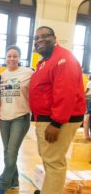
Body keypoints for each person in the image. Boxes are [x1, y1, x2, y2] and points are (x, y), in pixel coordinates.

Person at [29, 26, 86, 194]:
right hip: (47, 117)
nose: (40, 40)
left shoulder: (63, 59)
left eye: (45, 36)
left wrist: (56, 122)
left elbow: (66, 93)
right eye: (36, 38)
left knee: (54, 163)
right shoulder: (48, 60)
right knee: (50, 160)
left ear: (55, 38)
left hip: (57, 119)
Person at [0, 46, 33, 194]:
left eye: (15, 56)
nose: (12, 58)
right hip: (4, 117)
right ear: (5, 58)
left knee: (11, 152)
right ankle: (14, 181)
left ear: (20, 57)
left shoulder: (28, 73)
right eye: (9, 56)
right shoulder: (2, 76)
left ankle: (2, 185)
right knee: (8, 152)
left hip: (21, 117)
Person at [83, 76, 91, 141]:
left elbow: (86, 92)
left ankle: (86, 136)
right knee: (87, 119)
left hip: (88, 98)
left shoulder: (89, 82)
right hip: (88, 99)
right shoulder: (89, 82)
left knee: (86, 119)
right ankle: (86, 136)